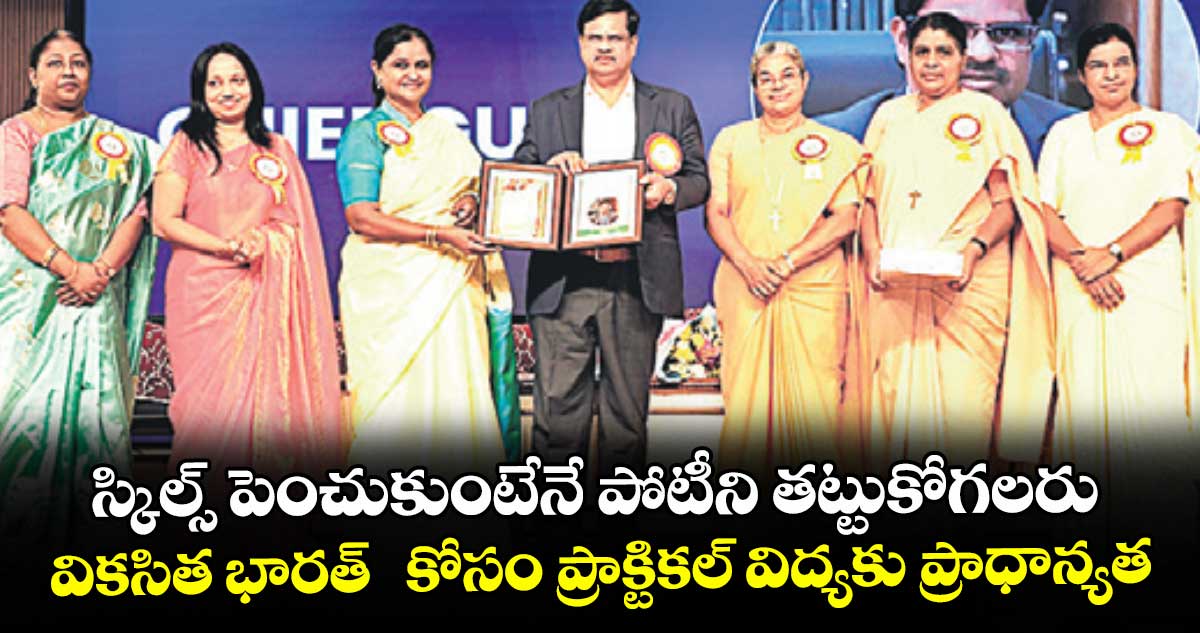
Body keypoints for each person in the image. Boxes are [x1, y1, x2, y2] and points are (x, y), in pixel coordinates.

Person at [513, 0, 709, 475]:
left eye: (615, 38)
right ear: (581, 44)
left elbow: (699, 181)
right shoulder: (547, 110)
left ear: (633, 44)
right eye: (595, 38)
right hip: (565, 279)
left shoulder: (670, 106)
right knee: (557, 419)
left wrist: (667, 190)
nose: (605, 47)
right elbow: (520, 179)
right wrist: (549, 170)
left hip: (635, 278)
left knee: (627, 420)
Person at [857, 12, 1053, 467]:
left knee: (964, 416)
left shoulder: (987, 115)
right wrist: (871, 252)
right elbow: (865, 197)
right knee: (895, 413)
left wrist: (972, 251)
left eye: (944, 52)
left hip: (968, 288)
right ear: (906, 55)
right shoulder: (887, 117)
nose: (931, 62)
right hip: (895, 289)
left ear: (963, 59)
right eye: (922, 52)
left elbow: (1008, 204)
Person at [152, 43, 343, 475]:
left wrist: (262, 240)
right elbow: (164, 221)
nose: (227, 91)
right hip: (201, 297)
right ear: (201, 93)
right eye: (215, 83)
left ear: (253, 86)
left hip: (263, 286)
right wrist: (224, 247)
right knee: (206, 416)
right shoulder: (185, 146)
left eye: (237, 80)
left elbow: (294, 224)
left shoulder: (277, 149)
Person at [1037, 23, 1200, 520]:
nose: (1111, 74)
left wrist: (1112, 253)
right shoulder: (1063, 135)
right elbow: (1043, 210)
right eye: (1098, 65)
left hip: (1146, 287)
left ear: (1135, 69)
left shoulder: (1167, 129)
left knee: (1153, 403)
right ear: (1082, 76)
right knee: (1084, 406)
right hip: (1078, 286)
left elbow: (1171, 204)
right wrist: (1086, 263)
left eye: (1121, 63)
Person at [0, 30, 158, 537]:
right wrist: (71, 269)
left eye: (78, 63)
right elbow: (9, 211)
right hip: (31, 298)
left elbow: (136, 213)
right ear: (33, 76)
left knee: (97, 418)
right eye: (55, 63)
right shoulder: (15, 134)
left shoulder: (122, 145)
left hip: (95, 299)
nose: (68, 71)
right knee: (20, 419)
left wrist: (99, 272)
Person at [336, 24, 506, 475]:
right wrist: (438, 236)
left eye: (421, 65)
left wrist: (470, 203)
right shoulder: (363, 134)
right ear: (377, 71)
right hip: (388, 291)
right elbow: (361, 217)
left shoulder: (447, 133)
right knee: (394, 403)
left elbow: (473, 190)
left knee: (457, 391)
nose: (412, 74)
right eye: (400, 65)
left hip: (452, 286)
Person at [706, 41, 864, 474]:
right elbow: (716, 212)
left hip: (813, 289)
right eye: (766, 78)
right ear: (755, 87)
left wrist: (789, 262)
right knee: (747, 408)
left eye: (787, 75)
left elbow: (847, 217)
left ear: (805, 81)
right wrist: (749, 265)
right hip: (746, 286)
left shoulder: (837, 145)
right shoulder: (731, 140)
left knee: (816, 406)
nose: (777, 86)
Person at [817, 0, 1074, 161]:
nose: (981, 53)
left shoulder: (1078, 139)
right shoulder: (832, 145)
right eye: (955, 31)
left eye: (1008, 32)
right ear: (904, 40)